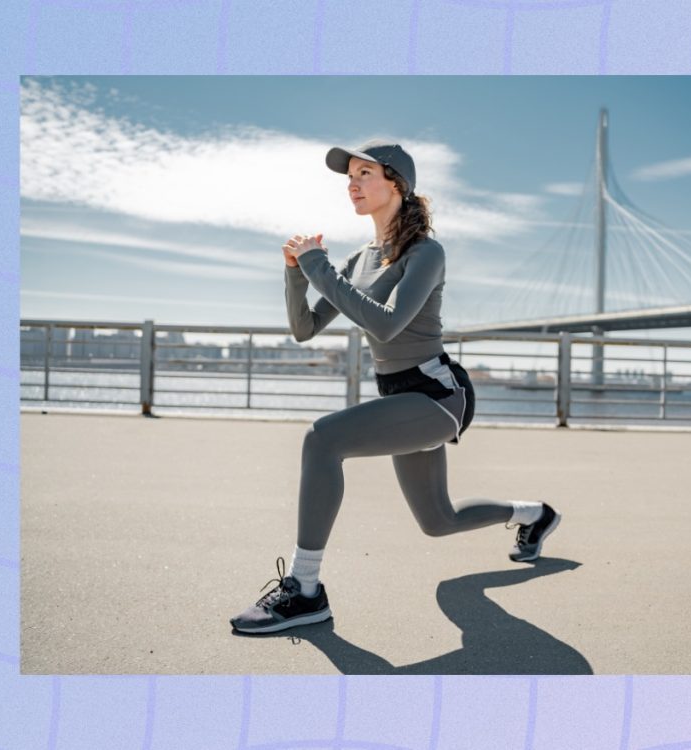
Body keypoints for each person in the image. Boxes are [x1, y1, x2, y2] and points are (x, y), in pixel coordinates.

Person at [230, 141, 561, 635]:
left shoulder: (426, 253)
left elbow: (385, 326)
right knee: (438, 520)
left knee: (323, 439)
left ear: (396, 185)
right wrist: (296, 273)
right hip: (399, 398)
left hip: (436, 396)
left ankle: (304, 590)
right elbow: (304, 330)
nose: (353, 184)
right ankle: (536, 513)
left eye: (365, 173)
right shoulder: (358, 259)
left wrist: (318, 265)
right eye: (349, 177)